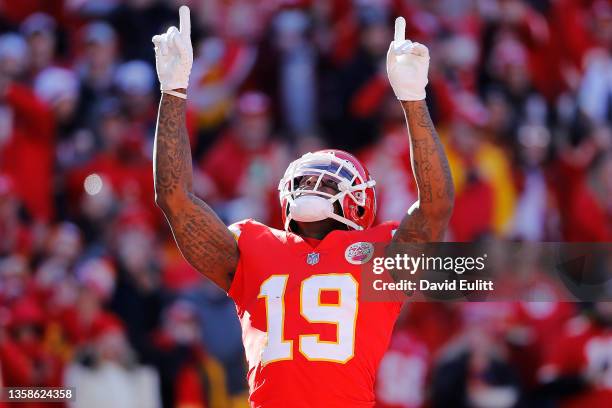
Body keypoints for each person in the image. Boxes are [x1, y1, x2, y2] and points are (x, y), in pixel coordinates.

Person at [152, 6, 454, 408]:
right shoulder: (254, 245)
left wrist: (414, 101)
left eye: (325, 181)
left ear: (360, 202)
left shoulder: (381, 257)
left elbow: (435, 207)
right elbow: (174, 200)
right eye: (305, 179)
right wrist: (172, 93)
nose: (312, 187)